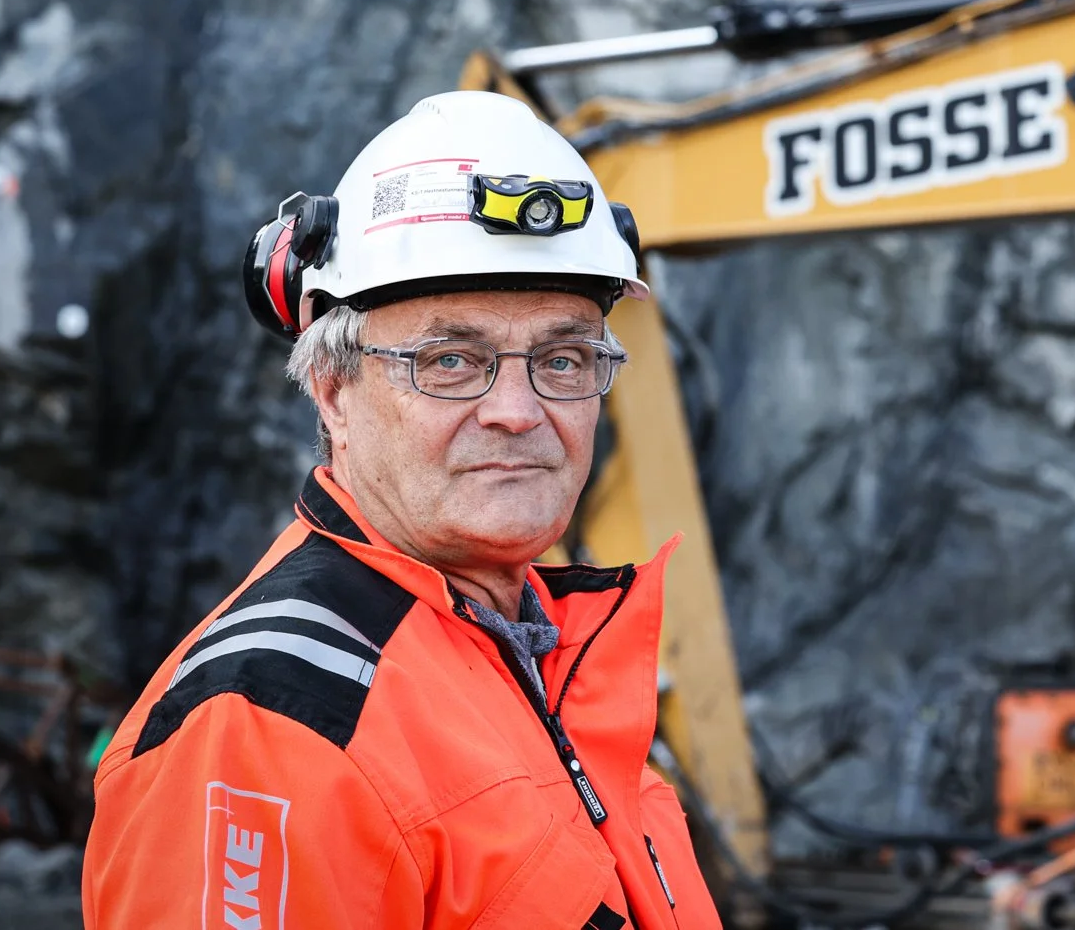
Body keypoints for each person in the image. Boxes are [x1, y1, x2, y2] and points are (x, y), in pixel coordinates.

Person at [83, 90, 724, 930]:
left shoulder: (542, 659)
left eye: (563, 358)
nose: (518, 410)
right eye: (451, 359)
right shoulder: (272, 720)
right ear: (333, 389)